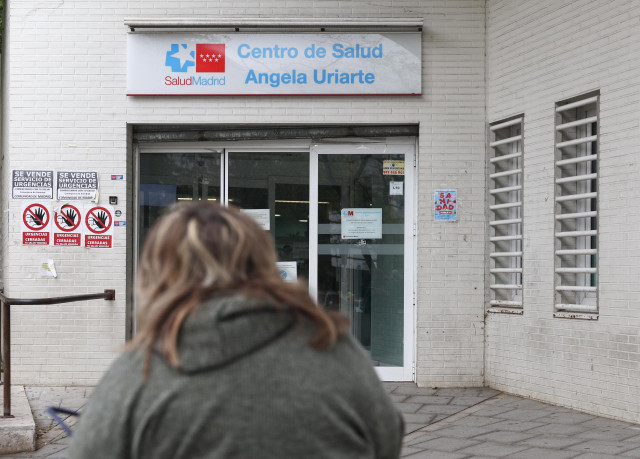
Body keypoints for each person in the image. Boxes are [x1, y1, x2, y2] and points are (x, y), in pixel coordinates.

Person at [68, 202, 404, 459]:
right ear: (262, 261)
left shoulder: (138, 374)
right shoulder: (332, 346)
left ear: (159, 274)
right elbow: (388, 436)